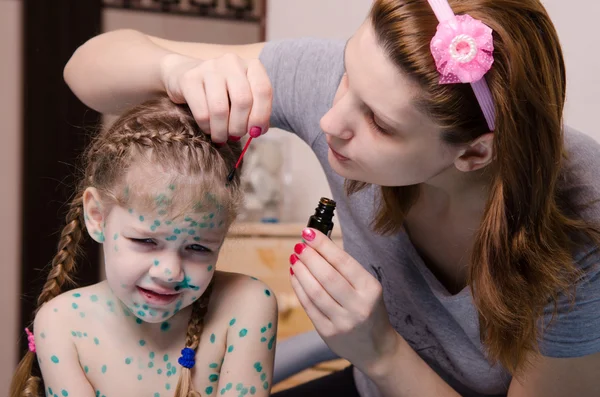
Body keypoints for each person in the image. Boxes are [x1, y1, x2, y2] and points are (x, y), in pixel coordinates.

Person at [62, 0, 600, 396]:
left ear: (475, 154)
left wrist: (381, 350)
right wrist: (174, 71)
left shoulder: (583, 216)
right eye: (346, 75)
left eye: (379, 124)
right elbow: (87, 68)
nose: (328, 120)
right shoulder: (334, 89)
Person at [10, 96, 278, 397]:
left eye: (199, 248)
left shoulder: (245, 304)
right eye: (146, 241)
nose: (169, 272)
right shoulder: (62, 323)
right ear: (97, 217)